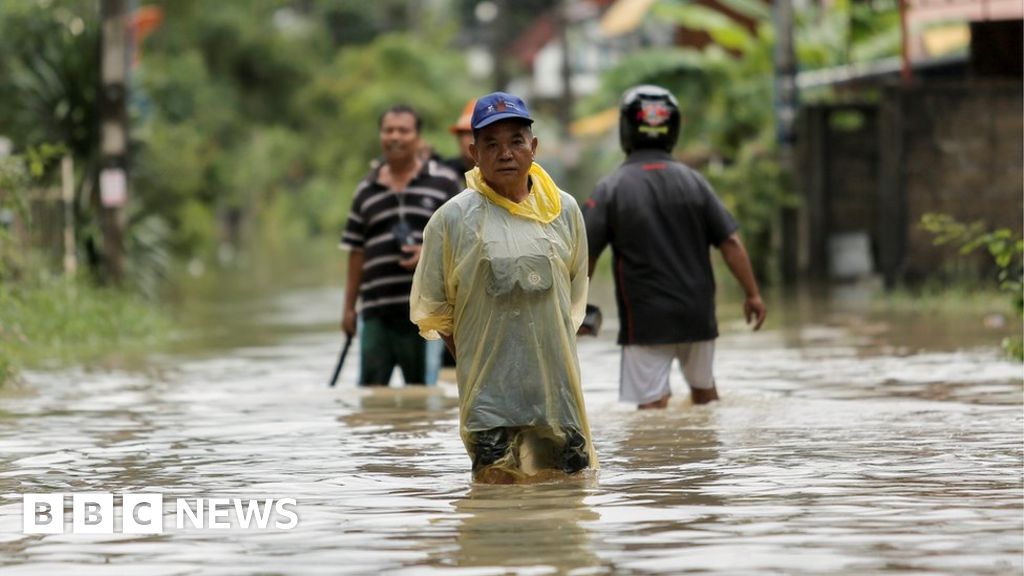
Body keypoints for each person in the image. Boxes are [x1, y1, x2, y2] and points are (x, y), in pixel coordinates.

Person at [410, 92, 596, 483]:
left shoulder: (565, 211)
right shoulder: (452, 220)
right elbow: (437, 310)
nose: (505, 153)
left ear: (534, 147)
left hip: (556, 394)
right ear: (474, 153)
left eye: (515, 141)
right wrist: (479, 370)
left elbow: (575, 294)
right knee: (494, 500)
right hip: (489, 400)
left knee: (566, 498)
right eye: (491, 145)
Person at [583, 85, 766, 409]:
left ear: (626, 129)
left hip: (646, 320)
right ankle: (708, 459)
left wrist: (576, 308)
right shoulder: (695, 182)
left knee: (651, 413)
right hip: (698, 315)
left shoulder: (611, 188)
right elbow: (731, 241)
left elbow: (586, 254)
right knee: (706, 398)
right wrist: (752, 294)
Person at [340, 104, 461, 386]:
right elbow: (356, 250)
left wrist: (428, 254)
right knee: (371, 394)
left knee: (423, 395)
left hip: (425, 315)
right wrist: (348, 307)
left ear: (418, 138)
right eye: (388, 130)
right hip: (376, 311)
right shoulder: (365, 190)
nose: (395, 136)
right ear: (381, 136)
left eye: (403, 130)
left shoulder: (444, 183)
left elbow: (464, 241)